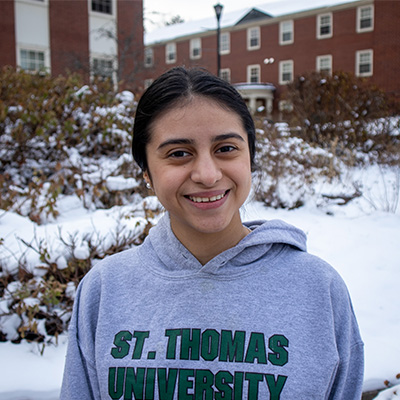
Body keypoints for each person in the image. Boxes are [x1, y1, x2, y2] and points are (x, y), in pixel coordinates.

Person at [61, 67, 364, 399]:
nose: (207, 175)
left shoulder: (318, 289)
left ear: (250, 158)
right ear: (146, 171)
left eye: (226, 149)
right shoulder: (105, 290)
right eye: (178, 154)